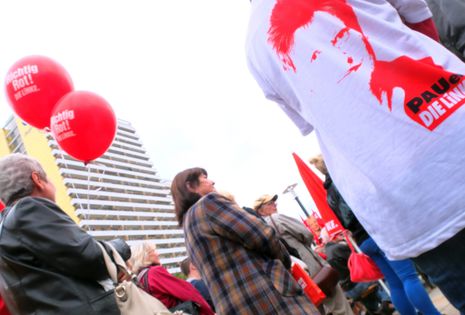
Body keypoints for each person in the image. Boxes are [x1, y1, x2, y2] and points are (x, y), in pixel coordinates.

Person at [246, 0, 465, 311]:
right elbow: (419, 17)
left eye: (339, 40)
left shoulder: (254, 45)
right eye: (319, 57)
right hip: (447, 131)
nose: (343, 59)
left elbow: (310, 117)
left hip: (403, 199)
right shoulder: (258, 42)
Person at [171, 167, 319, 315]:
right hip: (269, 295)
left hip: (236, 306)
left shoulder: (188, 227)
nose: (212, 181)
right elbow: (263, 235)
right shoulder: (208, 203)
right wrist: (286, 262)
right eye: (204, 177)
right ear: (190, 186)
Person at [310, 154, 441, 315]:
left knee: (395, 284)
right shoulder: (344, 182)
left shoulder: (329, 194)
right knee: (408, 277)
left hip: (363, 242)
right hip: (377, 234)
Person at [0, 153, 126, 314]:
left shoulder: (5, 227)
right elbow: (90, 257)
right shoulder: (29, 208)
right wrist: (122, 247)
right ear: (37, 179)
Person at [253, 193, 354, 315]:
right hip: (314, 270)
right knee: (339, 307)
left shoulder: (260, 230)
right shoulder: (276, 219)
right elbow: (306, 234)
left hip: (298, 279)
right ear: (261, 211)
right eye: (270, 203)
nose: (275, 204)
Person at [127, 241, 214, 315]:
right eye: (153, 251)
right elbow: (186, 291)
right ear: (145, 256)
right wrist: (208, 312)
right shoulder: (154, 272)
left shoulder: (139, 278)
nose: (158, 253)